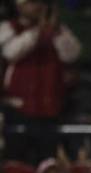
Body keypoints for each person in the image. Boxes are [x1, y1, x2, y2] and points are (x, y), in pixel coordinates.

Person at [0, 0, 81, 162]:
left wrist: (56, 30)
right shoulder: (8, 28)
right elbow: (11, 52)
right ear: (20, 6)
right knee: (17, 162)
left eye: (40, 3)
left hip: (50, 110)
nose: (38, 7)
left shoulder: (57, 30)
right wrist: (38, 30)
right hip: (17, 110)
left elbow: (71, 54)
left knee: (47, 162)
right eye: (32, 3)